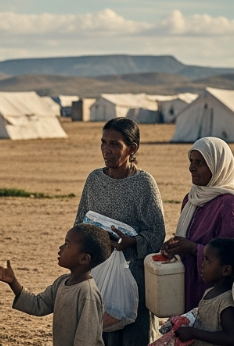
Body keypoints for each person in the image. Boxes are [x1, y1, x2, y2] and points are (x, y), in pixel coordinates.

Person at [74, 117, 165, 346]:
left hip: (133, 278)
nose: (106, 150)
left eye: (114, 144)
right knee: (101, 336)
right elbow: (80, 224)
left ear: (132, 148)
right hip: (99, 274)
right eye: (103, 143)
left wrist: (132, 242)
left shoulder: (144, 183)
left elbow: (157, 232)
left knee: (135, 337)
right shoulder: (94, 180)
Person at [161, 137, 234, 312]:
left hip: (216, 296)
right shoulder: (191, 199)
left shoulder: (228, 205)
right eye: (191, 161)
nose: (191, 168)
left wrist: (194, 249)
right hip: (189, 284)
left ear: (217, 166)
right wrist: (175, 247)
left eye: (200, 162)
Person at [0, 224, 110, 346]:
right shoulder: (62, 282)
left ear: (84, 259)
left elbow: (86, 340)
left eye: (67, 245)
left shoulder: (87, 293)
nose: (60, 248)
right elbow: (38, 305)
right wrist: (13, 282)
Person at [175, 238, 234, 346]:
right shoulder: (210, 292)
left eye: (207, 260)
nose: (202, 265)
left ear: (226, 270)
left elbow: (230, 338)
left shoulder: (227, 301)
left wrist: (194, 333)